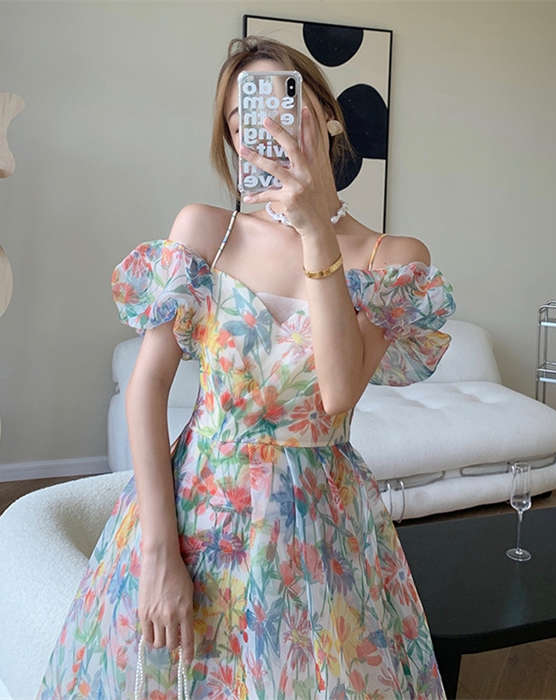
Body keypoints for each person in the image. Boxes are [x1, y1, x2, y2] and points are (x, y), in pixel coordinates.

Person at [37, 35, 456, 699]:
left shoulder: (392, 256)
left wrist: (315, 229)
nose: (261, 128)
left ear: (325, 115)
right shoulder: (207, 232)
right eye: (240, 120)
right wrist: (158, 553)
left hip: (321, 526)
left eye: (280, 103)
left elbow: (337, 393)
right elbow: (147, 388)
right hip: (200, 512)